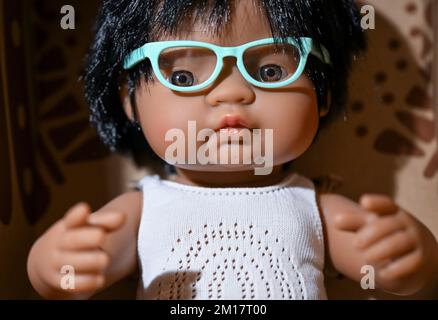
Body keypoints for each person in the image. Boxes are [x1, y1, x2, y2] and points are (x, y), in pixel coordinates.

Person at [27, 0, 438, 299]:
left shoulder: (313, 204)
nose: (232, 92)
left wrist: (405, 256)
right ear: (129, 99)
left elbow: (376, 264)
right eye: (185, 75)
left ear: (323, 92)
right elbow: (86, 262)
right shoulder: (145, 208)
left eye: (271, 71)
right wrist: (57, 265)